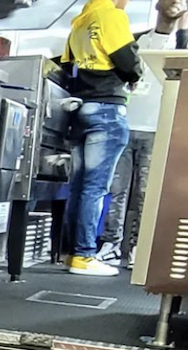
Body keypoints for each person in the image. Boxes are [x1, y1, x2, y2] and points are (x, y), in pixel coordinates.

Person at [98, 0, 188, 268]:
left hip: (159, 128)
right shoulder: (134, 40)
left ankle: (140, 246)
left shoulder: (183, 44)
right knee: (115, 190)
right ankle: (111, 244)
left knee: (147, 194)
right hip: (125, 124)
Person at [60, 0, 143, 277]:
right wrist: (135, 75)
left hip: (81, 108)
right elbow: (129, 62)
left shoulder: (79, 21)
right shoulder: (113, 17)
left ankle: (72, 253)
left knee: (79, 187)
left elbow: (69, 67)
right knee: (95, 189)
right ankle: (84, 255)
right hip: (107, 110)